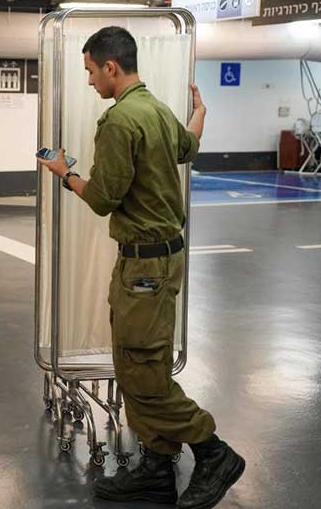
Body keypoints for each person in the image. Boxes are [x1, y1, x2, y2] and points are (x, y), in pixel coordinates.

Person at [37, 26, 243, 509]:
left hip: (144, 271)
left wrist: (65, 172)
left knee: (143, 374)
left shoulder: (120, 121)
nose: (89, 81)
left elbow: (104, 200)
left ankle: (213, 451)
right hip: (161, 261)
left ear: (112, 67)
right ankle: (155, 467)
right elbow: (187, 147)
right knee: (137, 365)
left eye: (90, 71)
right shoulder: (157, 110)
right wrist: (200, 112)